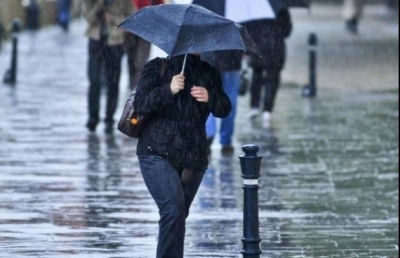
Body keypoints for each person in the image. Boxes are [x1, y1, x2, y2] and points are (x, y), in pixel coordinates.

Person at [134, 54, 231, 258]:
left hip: (192, 158)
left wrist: (210, 97)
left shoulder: (209, 72)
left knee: (177, 216)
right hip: (156, 152)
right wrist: (167, 90)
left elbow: (224, 108)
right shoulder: (157, 67)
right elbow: (141, 103)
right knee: (173, 210)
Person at [82, 0, 134, 134]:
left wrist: (113, 19)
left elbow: (132, 18)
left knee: (113, 82)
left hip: (115, 43)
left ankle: (109, 118)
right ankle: (93, 118)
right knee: (94, 80)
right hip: (96, 41)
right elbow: (88, 18)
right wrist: (98, 5)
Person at [244, 9, 292, 127]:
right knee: (273, 78)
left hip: (258, 46)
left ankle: (254, 106)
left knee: (257, 75)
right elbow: (287, 30)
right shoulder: (281, 8)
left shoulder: (255, 7)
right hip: (276, 48)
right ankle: (267, 109)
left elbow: (247, 28)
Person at [201, 50, 242, 155]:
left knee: (208, 97)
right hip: (232, 59)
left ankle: (209, 132)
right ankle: (226, 139)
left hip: (209, 58)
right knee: (229, 99)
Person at [125, 0, 164, 90]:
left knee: (141, 61)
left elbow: (160, 6)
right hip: (131, 29)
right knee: (131, 59)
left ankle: (137, 87)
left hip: (146, 28)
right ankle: (133, 85)